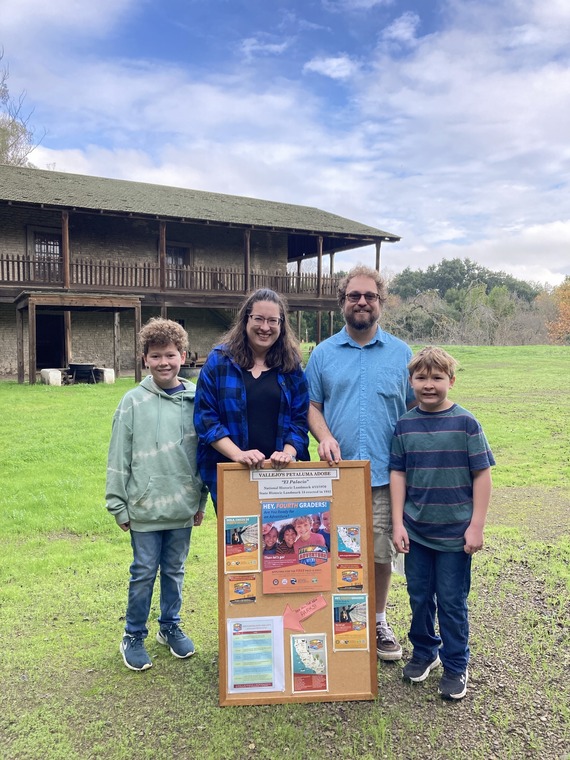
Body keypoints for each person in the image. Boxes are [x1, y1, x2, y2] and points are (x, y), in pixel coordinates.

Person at [305, 264, 416, 661]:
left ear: (381, 303)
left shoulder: (402, 355)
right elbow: (311, 407)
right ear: (342, 303)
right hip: (338, 476)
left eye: (370, 296)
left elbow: (415, 409)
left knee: (380, 552)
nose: (362, 302)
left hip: (388, 475)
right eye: (354, 295)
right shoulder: (322, 354)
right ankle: (337, 621)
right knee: (330, 549)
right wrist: (325, 436)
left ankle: (378, 618)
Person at [390, 346, 495, 700]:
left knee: (451, 600)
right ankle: (425, 652)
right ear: (411, 381)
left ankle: (455, 664)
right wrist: (397, 523)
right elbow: (398, 474)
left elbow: (482, 476)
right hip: (416, 531)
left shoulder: (466, 423)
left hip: (455, 534)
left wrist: (476, 526)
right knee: (419, 596)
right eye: (421, 378)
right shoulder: (404, 424)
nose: (429, 385)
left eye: (437, 378)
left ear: (451, 380)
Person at [105, 318, 208, 672]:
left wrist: (200, 499)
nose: (164, 362)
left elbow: (202, 456)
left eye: (170, 355)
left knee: (175, 570)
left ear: (183, 355)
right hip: (144, 508)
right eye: (155, 356)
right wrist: (117, 505)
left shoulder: (197, 401)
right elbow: (118, 455)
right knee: (144, 572)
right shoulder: (132, 402)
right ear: (144, 359)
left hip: (182, 505)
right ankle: (133, 635)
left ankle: (170, 626)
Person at [194, 288, 310, 510]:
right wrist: (239, 455)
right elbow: (206, 420)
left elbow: (299, 420)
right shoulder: (219, 362)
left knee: (281, 537)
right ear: (246, 319)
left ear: (281, 324)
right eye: (258, 319)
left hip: (279, 479)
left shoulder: (291, 365)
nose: (265, 327)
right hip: (232, 475)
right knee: (241, 543)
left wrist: (287, 453)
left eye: (272, 321)